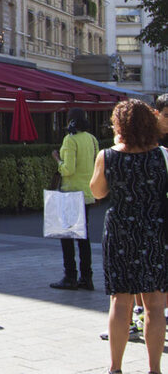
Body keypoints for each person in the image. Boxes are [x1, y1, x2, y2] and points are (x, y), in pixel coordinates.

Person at [90, 99, 167, 374]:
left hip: (120, 231)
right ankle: (155, 369)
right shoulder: (163, 155)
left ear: (119, 125)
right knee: (155, 304)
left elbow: (97, 192)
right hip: (155, 231)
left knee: (120, 300)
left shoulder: (107, 156)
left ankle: (116, 368)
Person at [49, 107, 99, 290]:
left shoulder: (70, 140)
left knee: (67, 237)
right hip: (87, 193)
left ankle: (70, 276)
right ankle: (87, 277)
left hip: (70, 192)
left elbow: (68, 170)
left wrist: (57, 159)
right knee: (83, 237)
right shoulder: (92, 139)